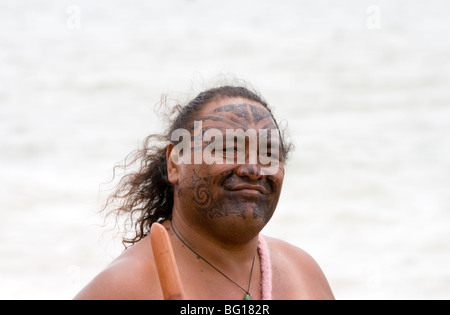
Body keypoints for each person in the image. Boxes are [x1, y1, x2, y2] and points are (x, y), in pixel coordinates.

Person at [74, 85, 335, 300]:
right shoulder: (123, 289)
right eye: (229, 148)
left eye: (269, 153)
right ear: (175, 162)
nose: (254, 169)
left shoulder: (303, 274)